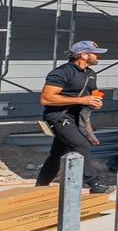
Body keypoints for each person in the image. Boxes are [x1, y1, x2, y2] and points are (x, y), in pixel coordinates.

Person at [38, 40, 107, 190]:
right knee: (80, 143)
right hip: (58, 116)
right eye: (96, 54)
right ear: (83, 55)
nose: (99, 57)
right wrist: (81, 100)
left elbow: (93, 93)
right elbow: (46, 98)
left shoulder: (90, 74)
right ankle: (94, 182)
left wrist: (95, 101)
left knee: (58, 153)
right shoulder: (62, 72)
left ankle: (41, 186)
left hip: (78, 118)